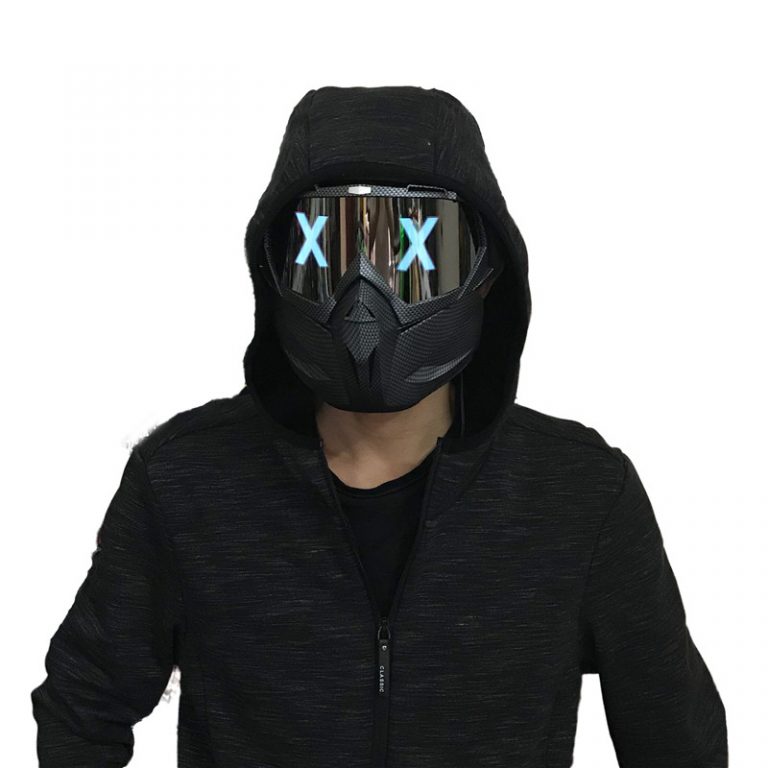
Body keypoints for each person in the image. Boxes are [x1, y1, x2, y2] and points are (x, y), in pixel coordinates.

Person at [30, 85, 728, 767]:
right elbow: (81, 710)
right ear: (274, 267)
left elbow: (676, 742)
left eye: (416, 251)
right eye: (326, 250)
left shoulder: (580, 496)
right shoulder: (185, 484)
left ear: (486, 270)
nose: (365, 296)